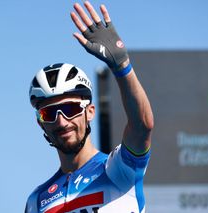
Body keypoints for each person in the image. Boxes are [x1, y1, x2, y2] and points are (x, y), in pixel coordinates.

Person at [25, 1, 154, 212]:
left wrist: (121, 65)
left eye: (70, 109)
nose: (61, 120)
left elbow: (142, 126)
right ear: (40, 123)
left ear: (90, 112)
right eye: (48, 113)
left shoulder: (118, 169)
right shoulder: (37, 200)